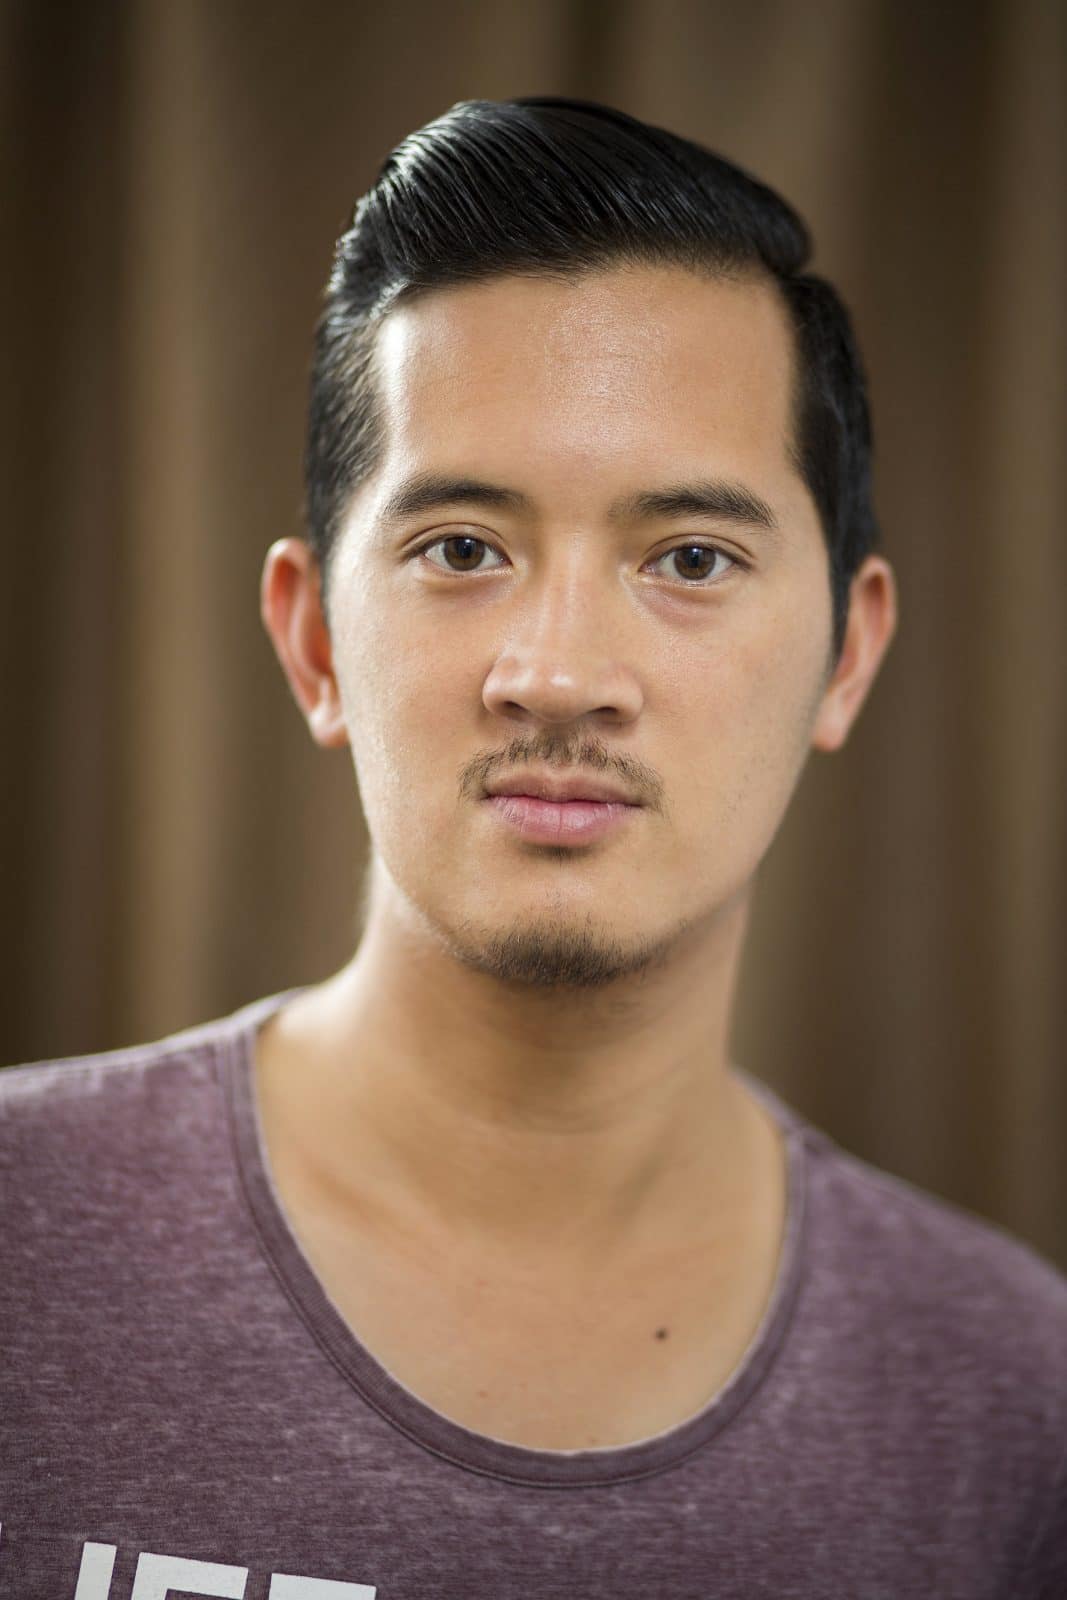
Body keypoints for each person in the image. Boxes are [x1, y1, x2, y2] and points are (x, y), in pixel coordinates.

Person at [2, 96, 1063, 1599]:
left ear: (847, 653)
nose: (560, 676)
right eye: (463, 549)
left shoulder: (1017, 1406)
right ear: (313, 642)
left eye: (690, 558)